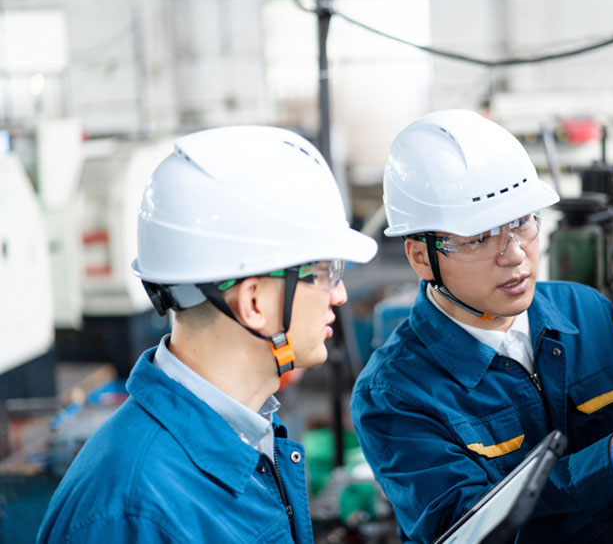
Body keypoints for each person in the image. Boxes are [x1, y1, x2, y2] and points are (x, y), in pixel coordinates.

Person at [38, 126, 377, 543]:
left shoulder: (244, 434)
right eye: (326, 272)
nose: (339, 295)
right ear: (254, 303)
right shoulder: (133, 512)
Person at [350, 109, 613, 543]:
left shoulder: (586, 312)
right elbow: (469, 532)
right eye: (479, 237)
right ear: (421, 257)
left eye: (522, 221)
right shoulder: (394, 394)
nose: (515, 254)